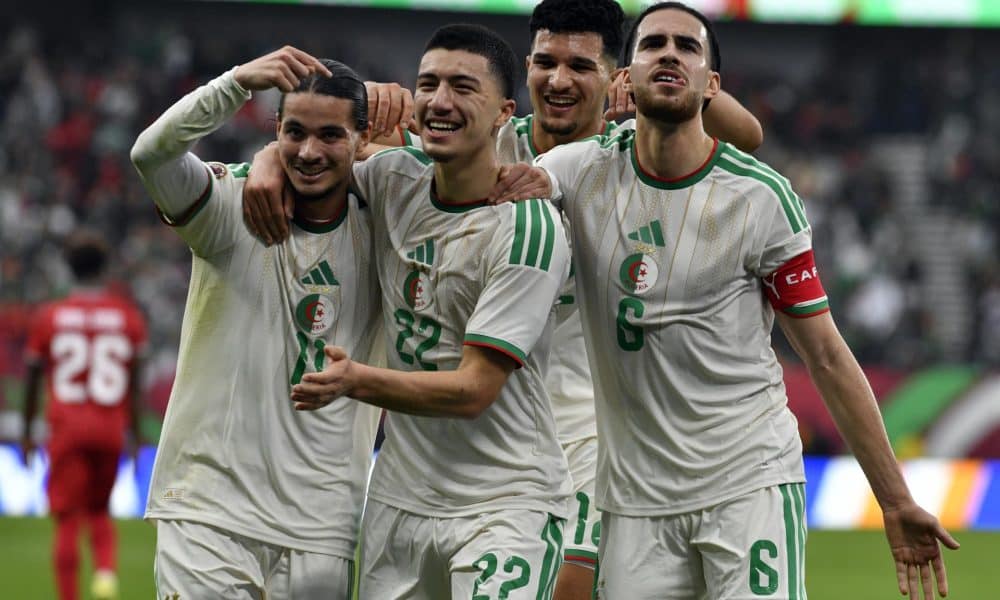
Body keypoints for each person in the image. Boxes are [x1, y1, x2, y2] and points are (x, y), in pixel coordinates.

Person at [492, 3, 960, 599]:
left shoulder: (761, 197)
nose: (668, 53)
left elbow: (826, 356)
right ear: (625, 78)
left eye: (687, 47)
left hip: (747, 485)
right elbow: (482, 187)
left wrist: (895, 500)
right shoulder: (577, 170)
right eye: (652, 44)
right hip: (633, 501)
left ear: (711, 85)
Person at [282, 24, 572, 599]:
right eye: (428, 84)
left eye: (463, 87)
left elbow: (472, 391)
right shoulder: (393, 179)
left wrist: (356, 380)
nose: (440, 101)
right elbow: (310, 156)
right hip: (399, 500)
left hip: (506, 503)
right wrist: (271, 159)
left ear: (503, 113)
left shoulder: (528, 229)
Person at [129, 48, 382, 598]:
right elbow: (151, 154)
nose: (309, 151)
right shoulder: (227, 207)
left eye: (331, 136)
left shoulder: (390, 223)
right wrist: (236, 83)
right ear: (276, 130)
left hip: (322, 527)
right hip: (208, 515)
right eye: (293, 133)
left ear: (363, 141)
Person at [22, 230, 148, 600]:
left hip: (66, 429)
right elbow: (134, 386)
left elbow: (31, 381)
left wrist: (29, 432)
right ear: (105, 269)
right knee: (100, 510)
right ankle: (106, 576)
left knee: (67, 520)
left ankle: (70, 596)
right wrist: (135, 435)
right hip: (110, 427)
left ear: (68, 268)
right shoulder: (127, 317)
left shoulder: (50, 316)